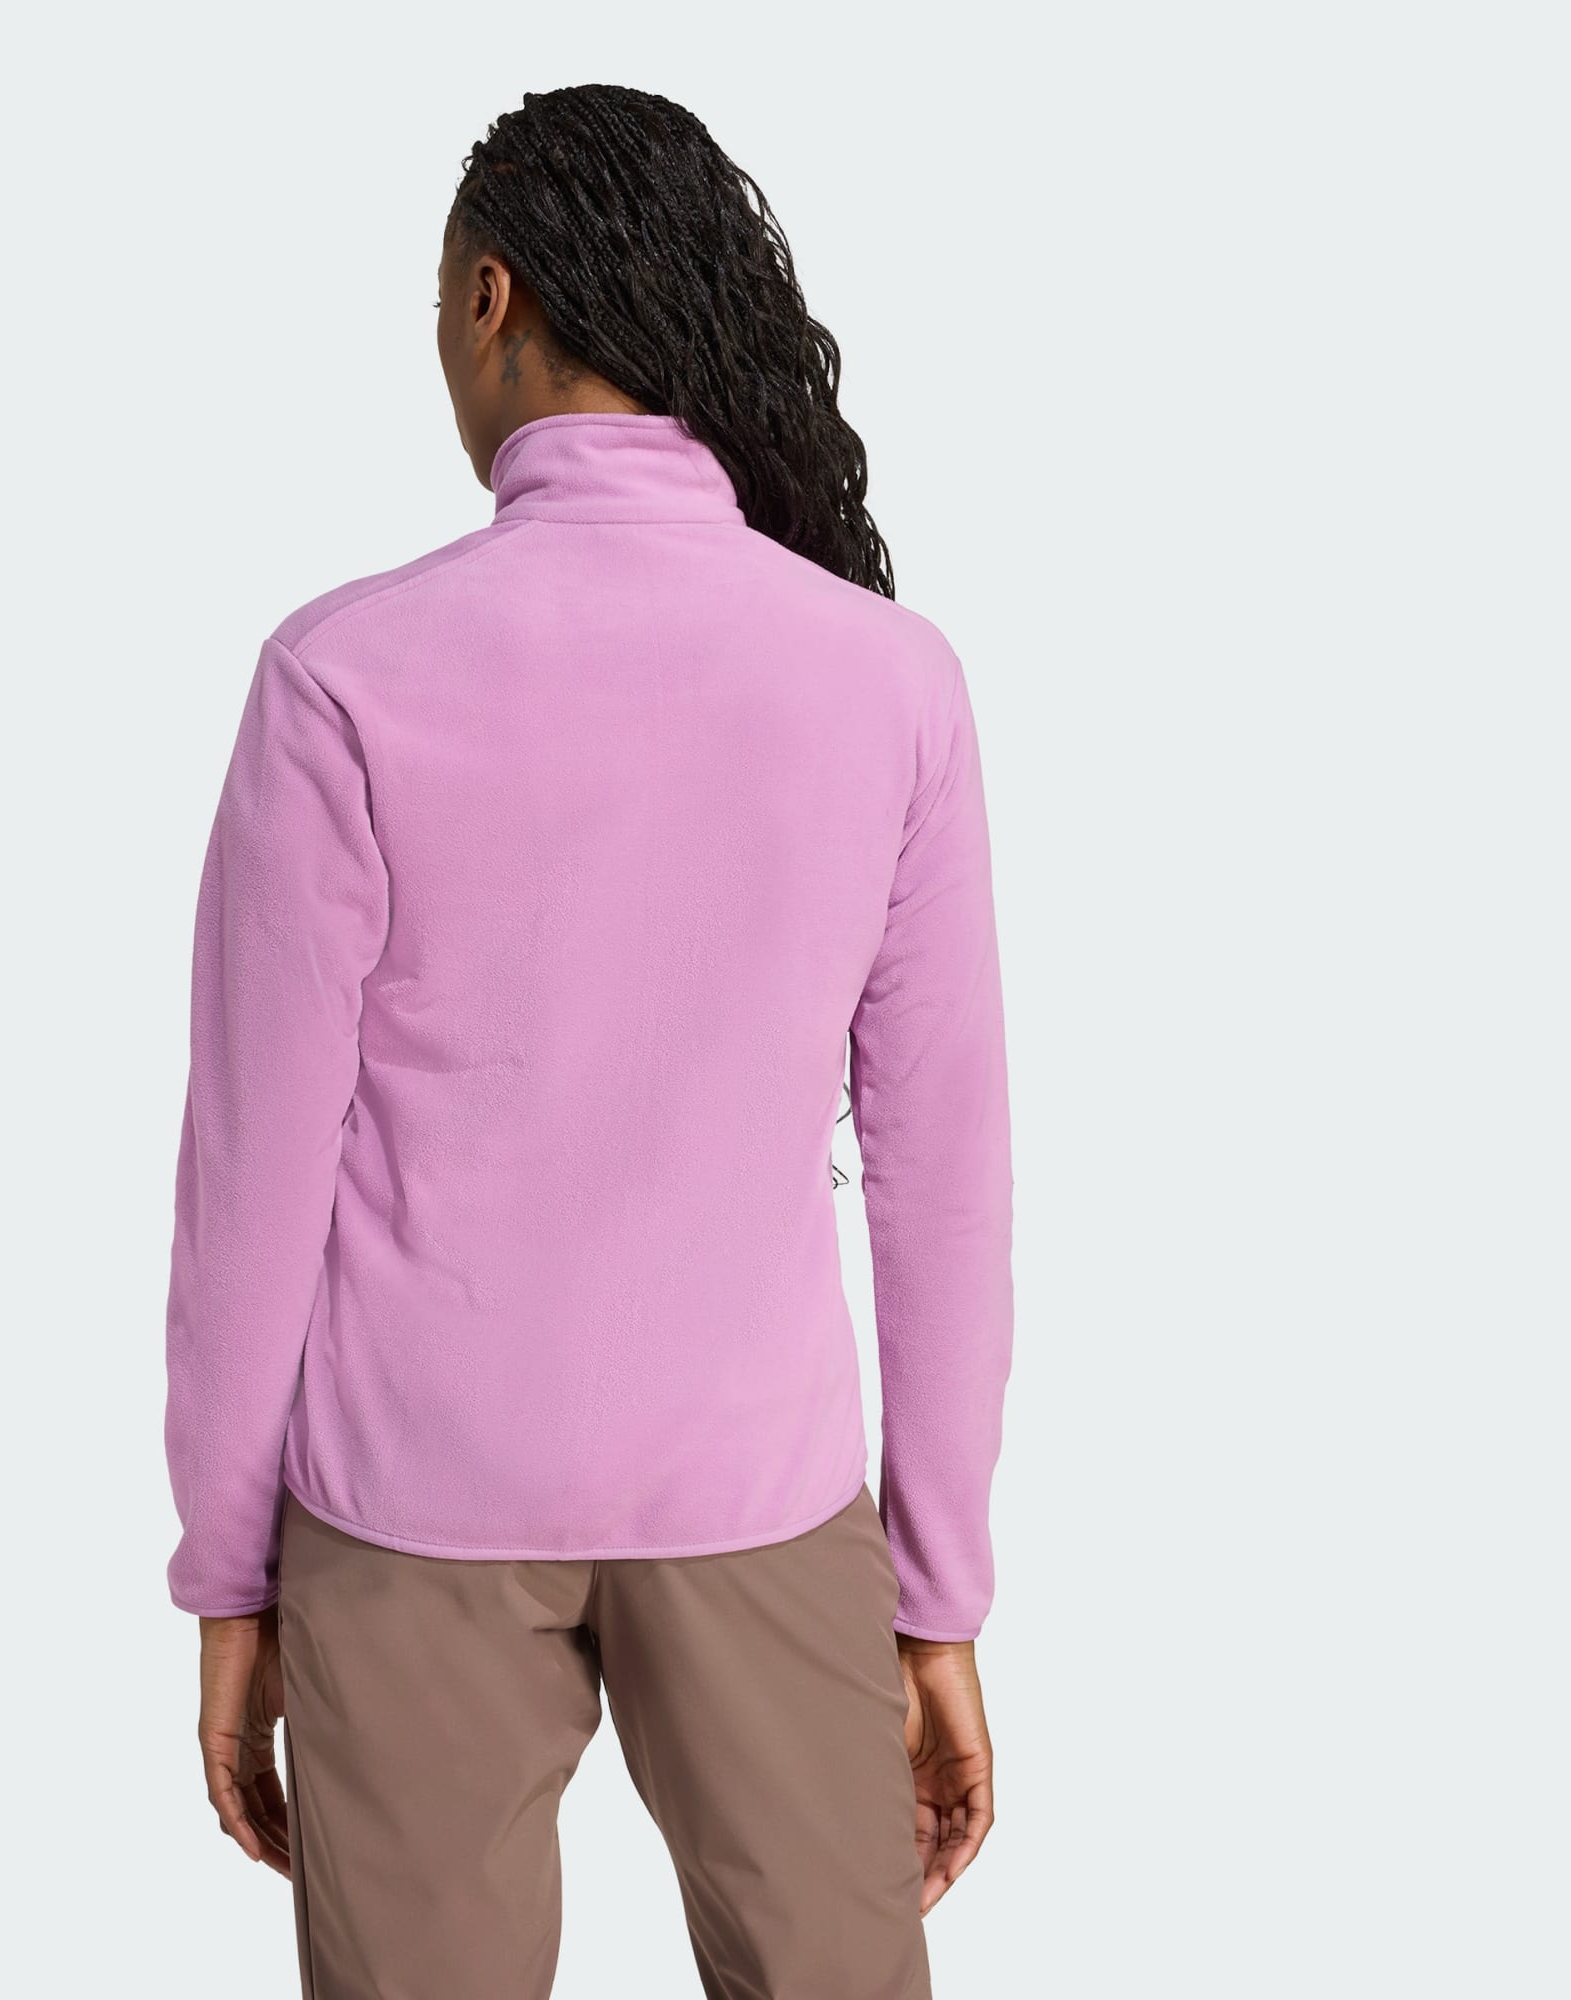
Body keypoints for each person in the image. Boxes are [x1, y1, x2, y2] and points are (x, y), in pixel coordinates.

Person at [163, 83, 1014, 2000]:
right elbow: (946, 1181)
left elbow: (253, 1178)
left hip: (409, 1503)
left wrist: (227, 1570)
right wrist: (939, 1595)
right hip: (762, 1494)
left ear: (492, 301)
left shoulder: (340, 677)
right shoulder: (889, 679)